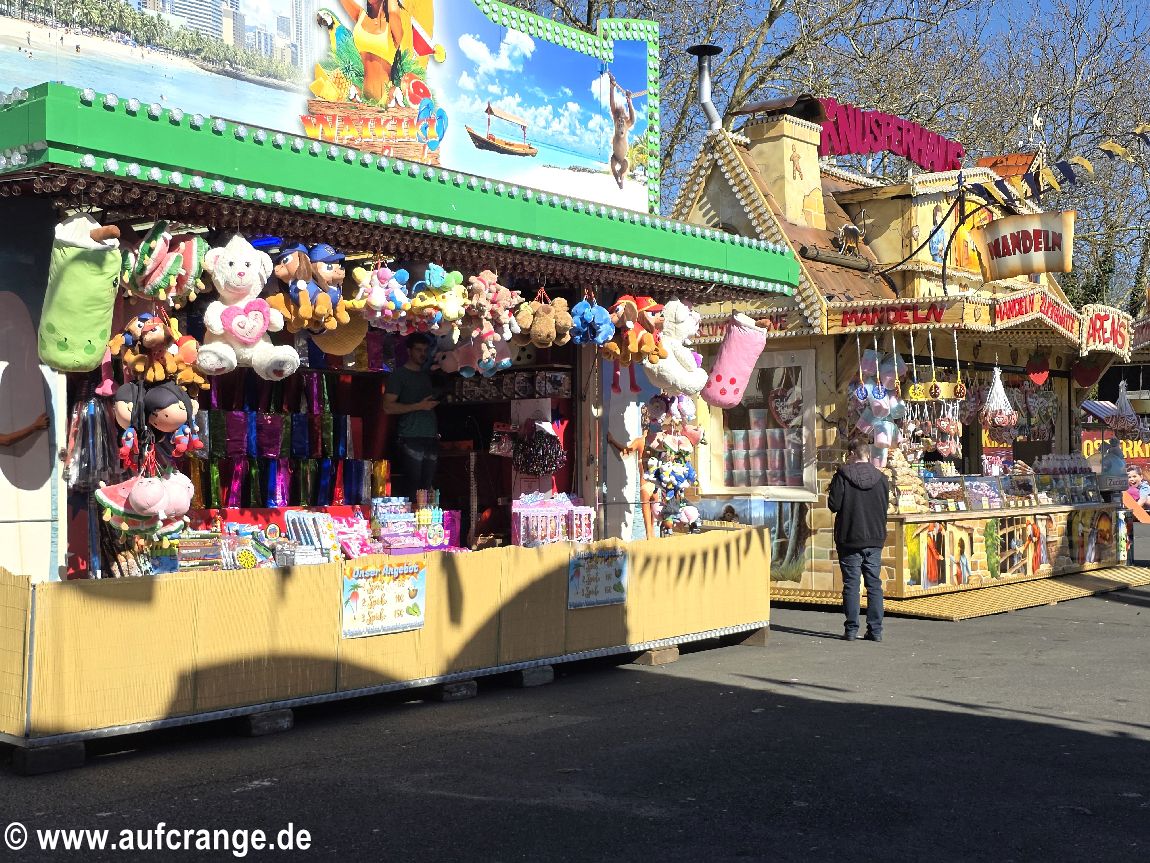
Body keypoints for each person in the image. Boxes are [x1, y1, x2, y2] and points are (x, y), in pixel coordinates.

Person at [827, 437, 890, 641]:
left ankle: (851, 629)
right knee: (874, 584)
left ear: (852, 454)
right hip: (875, 537)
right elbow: (884, 506)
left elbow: (834, 505)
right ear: (868, 455)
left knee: (852, 584)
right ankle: (876, 630)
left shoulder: (842, 475)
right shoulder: (881, 478)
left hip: (850, 536)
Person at [382, 332, 439, 500]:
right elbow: (387, 407)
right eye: (418, 350)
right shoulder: (399, 375)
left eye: (425, 350)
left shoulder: (427, 375)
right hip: (410, 436)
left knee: (427, 486)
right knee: (413, 486)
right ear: (409, 351)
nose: (423, 354)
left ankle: (425, 516)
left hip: (430, 436)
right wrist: (419, 406)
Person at [607, 71, 636, 190]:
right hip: (615, 155)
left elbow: (632, 119)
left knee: (625, 165)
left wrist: (629, 102)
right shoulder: (616, 119)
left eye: (621, 121)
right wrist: (612, 88)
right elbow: (612, 105)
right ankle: (618, 181)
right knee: (613, 166)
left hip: (623, 158)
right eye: (619, 120)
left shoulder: (627, 123)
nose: (620, 123)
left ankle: (621, 176)